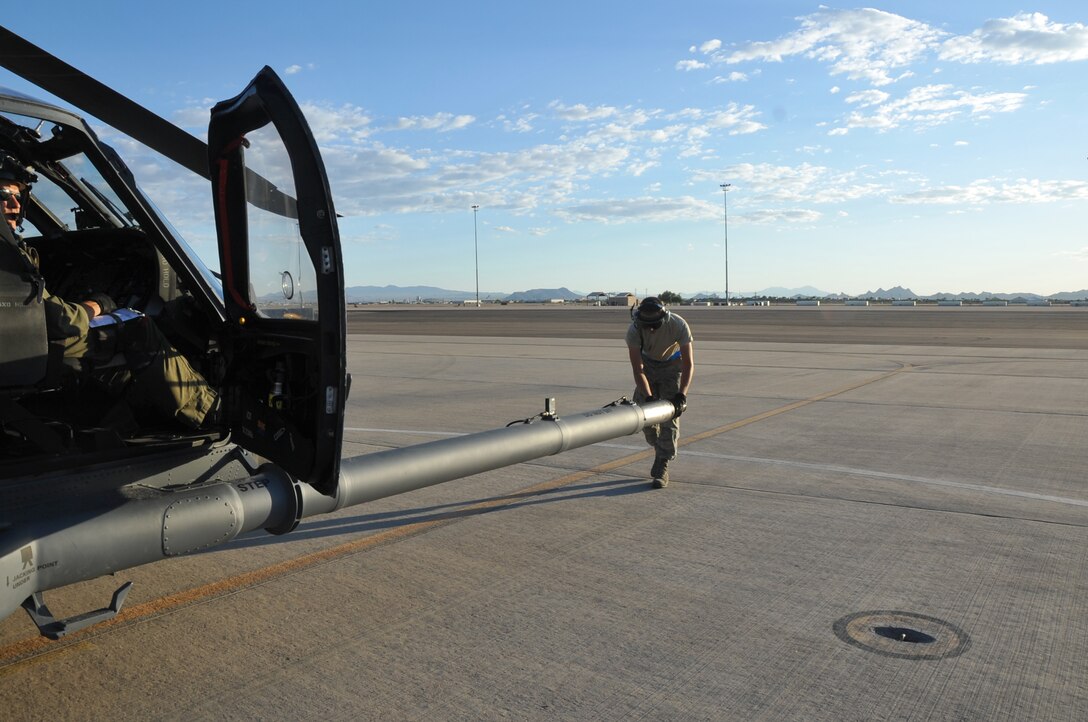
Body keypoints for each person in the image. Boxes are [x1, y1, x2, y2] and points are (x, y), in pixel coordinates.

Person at [0, 154, 219, 431]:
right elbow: (59, 322)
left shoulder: (11, 246)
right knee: (138, 328)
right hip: (25, 350)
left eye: (18, 196)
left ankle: (121, 424)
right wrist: (98, 305)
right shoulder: (5, 252)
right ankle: (210, 412)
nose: (14, 204)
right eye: (4, 194)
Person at [625, 296, 694, 488]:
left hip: (672, 366)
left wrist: (682, 395)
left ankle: (662, 463)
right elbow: (638, 369)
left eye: (655, 324)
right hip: (647, 366)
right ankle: (658, 446)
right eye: (647, 325)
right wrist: (647, 397)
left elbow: (688, 363)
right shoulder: (634, 331)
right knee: (643, 416)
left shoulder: (678, 325)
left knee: (669, 417)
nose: (651, 329)